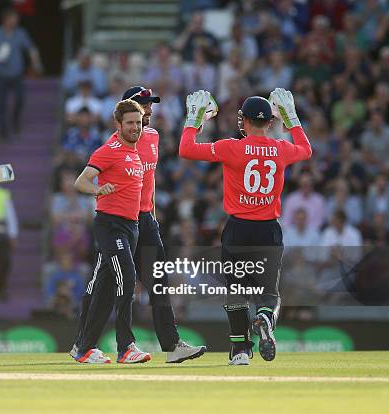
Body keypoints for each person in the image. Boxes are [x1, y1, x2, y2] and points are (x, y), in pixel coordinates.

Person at [71, 86, 207, 363]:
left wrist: (153, 216)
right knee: (104, 285)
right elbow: (93, 176)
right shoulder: (117, 143)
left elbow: (150, 180)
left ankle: (172, 346)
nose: (149, 110)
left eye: (150, 105)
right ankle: (82, 344)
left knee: (158, 281)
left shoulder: (153, 137)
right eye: (143, 105)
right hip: (117, 218)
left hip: (144, 219)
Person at [178, 88, 312, 365]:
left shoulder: (231, 147)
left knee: (236, 290)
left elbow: (186, 150)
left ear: (246, 121)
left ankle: (240, 351)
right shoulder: (281, 149)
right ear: (270, 122)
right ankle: (264, 318)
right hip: (268, 229)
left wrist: (193, 120)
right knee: (268, 293)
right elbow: (306, 150)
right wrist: (294, 119)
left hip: (238, 229)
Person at [71, 99, 149, 364]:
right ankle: (126, 347)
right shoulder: (108, 150)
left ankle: (84, 348)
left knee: (103, 288)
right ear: (118, 124)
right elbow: (80, 182)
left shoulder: (136, 153)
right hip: (110, 225)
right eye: (129, 123)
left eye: (138, 123)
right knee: (127, 277)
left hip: (130, 226)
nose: (135, 128)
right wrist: (97, 190)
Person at [0, 7, 42, 141]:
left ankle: (15, 121)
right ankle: (3, 130)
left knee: (20, 99)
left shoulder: (21, 33)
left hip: (17, 74)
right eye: (13, 18)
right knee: (1, 104)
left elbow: (31, 49)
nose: (16, 21)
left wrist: (36, 63)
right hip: (1, 74)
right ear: (6, 19)